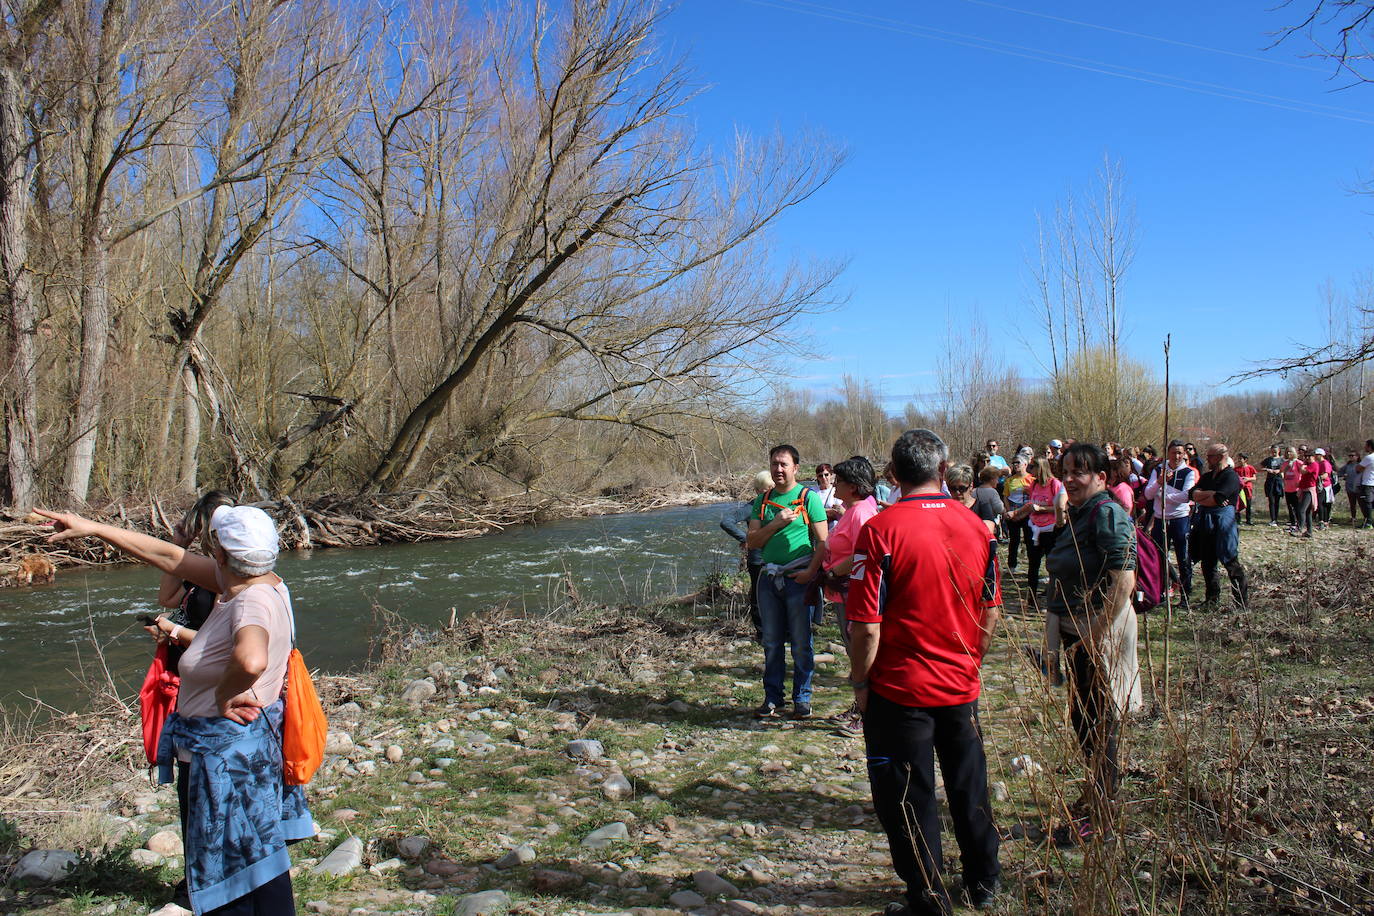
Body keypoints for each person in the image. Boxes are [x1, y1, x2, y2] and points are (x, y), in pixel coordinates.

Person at [36, 504, 311, 915]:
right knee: (259, 861)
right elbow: (168, 556)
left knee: (227, 872)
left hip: (224, 758)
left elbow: (251, 658)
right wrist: (92, 528)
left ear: (220, 553)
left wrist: (224, 694)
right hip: (246, 751)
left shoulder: (247, 602)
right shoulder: (257, 582)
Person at [846, 428, 1002, 915]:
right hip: (959, 682)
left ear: (892, 475)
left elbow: (867, 625)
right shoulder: (977, 525)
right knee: (968, 783)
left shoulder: (880, 530)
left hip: (901, 688)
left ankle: (929, 897)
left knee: (911, 796)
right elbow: (990, 610)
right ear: (942, 469)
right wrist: (973, 658)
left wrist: (860, 683)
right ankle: (983, 882)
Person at [142, 491, 235, 909]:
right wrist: (177, 546)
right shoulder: (206, 569)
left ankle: (209, 880)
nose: (205, 535)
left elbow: (226, 646)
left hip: (212, 694)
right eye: (199, 528)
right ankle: (201, 876)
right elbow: (167, 596)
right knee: (192, 787)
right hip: (188, 690)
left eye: (206, 528)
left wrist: (174, 633)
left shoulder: (232, 578)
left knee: (204, 789)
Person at [1043, 443, 1139, 844]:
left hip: (1098, 635)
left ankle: (1103, 817)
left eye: (1079, 472)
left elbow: (1124, 578)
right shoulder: (1080, 513)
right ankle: (1096, 796)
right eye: (1065, 471)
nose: (1068, 478)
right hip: (1077, 632)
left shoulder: (1106, 512)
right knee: (1085, 721)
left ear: (1102, 477)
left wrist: (1095, 632)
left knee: (1099, 724)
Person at [746, 445, 829, 719]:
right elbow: (752, 542)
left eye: (783, 464)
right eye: (774, 464)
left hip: (799, 578)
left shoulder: (808, 498)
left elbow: (823, 543)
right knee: (771, 642)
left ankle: (802, 700)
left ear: (796, 468)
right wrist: (776, 523)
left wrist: (810, 575)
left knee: (802, 642)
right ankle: (773, 699)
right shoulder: (763, 501)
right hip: (770, 579)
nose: (778, 469)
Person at [822, 457, 881, 738]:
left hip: (853, 593)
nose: (835, 485)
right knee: (853, 651)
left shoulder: (860, 514)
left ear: (855, 486)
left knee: (861, 653)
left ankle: (867, 713)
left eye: (840, 481)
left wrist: (833, 573)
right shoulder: (853, 509)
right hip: (844, 592)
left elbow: (864, 555)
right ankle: (860, 706)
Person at [1189, 444, 1249, 609]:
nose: (1207, 459)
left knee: (1230, 561)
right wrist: (1208, 495)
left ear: (1221, 456)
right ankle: (1212, 600)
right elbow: (1192, 493)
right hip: (1205, 522)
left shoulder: (1231, 477)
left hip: (1224, 524)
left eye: (1210, 456)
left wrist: (1206, 496)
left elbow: (1219, 498)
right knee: (1207, 563)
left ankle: (1240, 603)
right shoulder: (1208, 476)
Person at [720, 471, 774, 641]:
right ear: (759, 490)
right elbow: (726, 522)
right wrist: (746, 538)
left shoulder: (777, 505)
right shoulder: (751, 508)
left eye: (774, 487)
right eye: (768, 488)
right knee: (758, 597)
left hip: (777, 558)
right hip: (758, 560)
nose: (772, 490)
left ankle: (780, 631)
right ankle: (762, 633)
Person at [1143, 440, 1198, 602]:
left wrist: (1163, 495)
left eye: (1180, 453)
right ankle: (1161, 592)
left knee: (1183, 557)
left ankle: (1185, 595)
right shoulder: (1159, 469)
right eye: (1174, 452)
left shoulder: (1188, 472)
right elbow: (1148, 494)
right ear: (1168, 453)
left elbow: (1186, 496)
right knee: (1159, 556)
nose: (1177, 456)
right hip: (1160, 519)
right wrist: (1160, 482)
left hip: (1180, 519)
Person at [1006, 457, 1065, 597]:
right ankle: (1031, 598)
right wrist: (1016, 513)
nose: (1030, 470)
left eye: (1033, 467)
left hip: (1050, 529)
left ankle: (1052, 594)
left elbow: (1061, 507)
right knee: (1033, 564)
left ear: (1041, 468)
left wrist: (1041, 508)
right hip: (1034, 528)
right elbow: (1031, 504)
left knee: (1051, 564)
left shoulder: (1054, 484)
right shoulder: (1033, 485)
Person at [1001, 456, 1034, 573]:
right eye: (1014, 463)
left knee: (1029, 539)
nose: (1015, 465)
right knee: (1014, 540)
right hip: (1013, 512)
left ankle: (1032, 565)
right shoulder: (1010, 480)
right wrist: (1009, 511)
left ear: (1025, 464)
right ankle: (1012, 566)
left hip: (1027, 513)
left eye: (1018, 463)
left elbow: (1035, 496)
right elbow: (1005, 496)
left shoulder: (1032, 479)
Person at [1259, 445, 1285, 527]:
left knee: (1277, 501)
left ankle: (1276, 519)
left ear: (1279, 451)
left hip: (1278, 481)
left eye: (1275, 451)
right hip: (1270, 481)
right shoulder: (1268, 459)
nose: (1274, 453)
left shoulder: (1282, 460)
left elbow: (1286, 468)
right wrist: (1267, 469)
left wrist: (1279, 471)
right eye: (1272, 451)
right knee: (1271, 500)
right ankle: (1273, 519)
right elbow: (1259, 467)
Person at [1312, 448, 1335, 530]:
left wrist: (1315, 478)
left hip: (1324, 486)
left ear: (1321, 455)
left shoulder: (1325, 463)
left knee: (1322, 504)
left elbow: (1325, 475)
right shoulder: (1317, 463)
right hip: (1319, 485)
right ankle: (1322, 521)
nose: (1315, 456)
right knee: (1320, 504)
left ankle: (1323, 521)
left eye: (1316, 454)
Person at [1339, 450, 1362, 523]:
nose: (1351, 457)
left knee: (1362, 504)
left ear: (1357, 456)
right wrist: (1343, 475)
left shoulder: (1361, 465)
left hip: (1359, 487)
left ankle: (1366, 518)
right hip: (1349, 486)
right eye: (1349, 456)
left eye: (1352, 456)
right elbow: (1340, 471)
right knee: (1352, 504)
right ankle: (1353, 517)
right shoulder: (1347, 465)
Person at [1235, 453, 1257, 526]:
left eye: (1240, 459)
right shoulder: (1236, 469)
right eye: (1238, 458)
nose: (1239, 460)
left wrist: (1248, 479)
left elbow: (1254, 478)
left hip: (1248, 487)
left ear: (1245, 460)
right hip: (1239, 488)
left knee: (1248, 503)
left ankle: (1249, 519)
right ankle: (1238, 519)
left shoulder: (1250, 468)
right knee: (1239, 503)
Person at [1358, 439, 1374, 529]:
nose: (1364, 447)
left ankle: (1368, 522)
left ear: (1370, 446)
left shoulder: (1369, 457)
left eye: (1366, 445)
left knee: (1367, 503)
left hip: (1368, 483)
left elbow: (1358, 468)